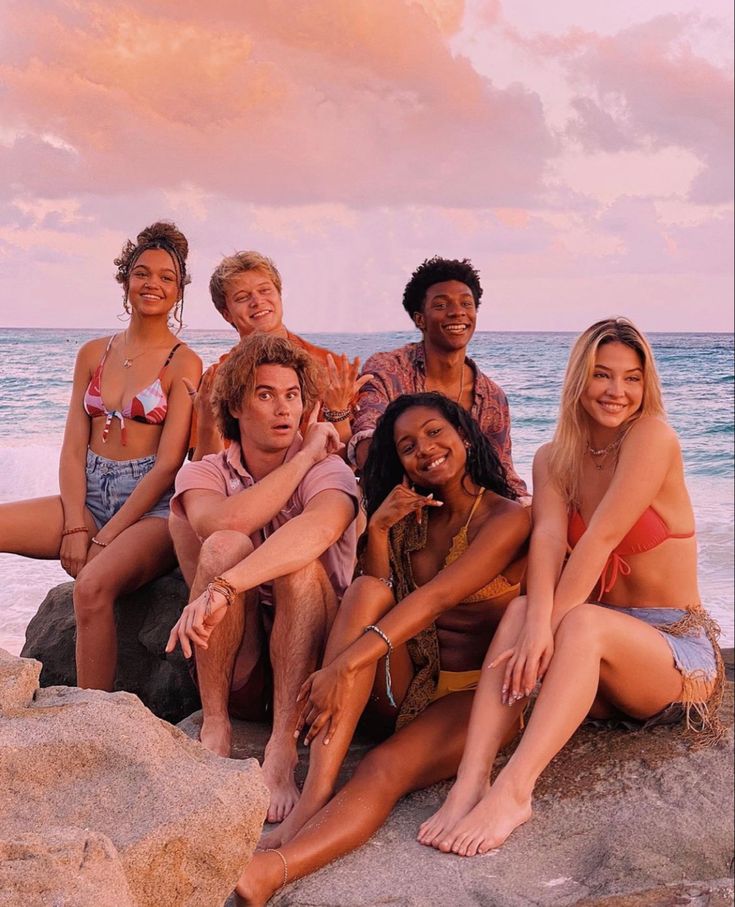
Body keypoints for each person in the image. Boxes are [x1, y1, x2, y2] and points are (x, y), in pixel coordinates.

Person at [418, 317, 725, 858]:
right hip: (598, 671)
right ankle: (472, 780)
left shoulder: (653, 437)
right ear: (579, 378)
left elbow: (601, 538)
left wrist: (551, 627)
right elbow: (547, 545)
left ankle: (515, 792)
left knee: (573, 619)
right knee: (522, 614)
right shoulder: (554, 457)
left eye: (632, 378)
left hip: (675, 656)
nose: (617, 391)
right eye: (603, 375)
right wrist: (536, 623)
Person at [233, 392, 530, 905]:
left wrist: (341, 668)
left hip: (474, 696)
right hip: (406, 681)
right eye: (409, 445)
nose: (426, 449)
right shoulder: (413, 513)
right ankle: (315, 794)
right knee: (368, 590)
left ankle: (272, 870)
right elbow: (374, 592)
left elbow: (438, 598)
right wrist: (379, 529)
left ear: (464, 433)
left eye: (436, 432)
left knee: (382, 769)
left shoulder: (508, 519)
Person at [165, 334, 360, 824]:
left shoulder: (331, 469)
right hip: (241, 660)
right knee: (224, 546)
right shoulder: (205, 472)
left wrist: (224, 587)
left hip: (314, 664)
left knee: (299, 564)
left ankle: (281, 749)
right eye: (265, 394)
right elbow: (221, 526)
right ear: (236, 404)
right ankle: (215, 725)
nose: (283, 409)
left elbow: (321, 528)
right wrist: (300, 458)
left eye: (292, 395)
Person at [0, 221, 202, 690]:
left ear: (178, 291)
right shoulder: (94, 352)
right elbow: (73, 447)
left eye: (166, 277)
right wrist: (75, 524)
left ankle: (94, 720)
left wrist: (106, 537)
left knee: (91, 588)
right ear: (125, 280)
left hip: (150, 510)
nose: (152, 283)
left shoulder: (184, 362)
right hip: (88, 495)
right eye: (141, 272)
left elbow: (171, 464)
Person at [348, 256, 526, 499]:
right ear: (420, 319)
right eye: (441, 305)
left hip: (465, 512)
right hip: (396, 501)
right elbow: (367, 435)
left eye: (466, 304)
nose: (457, 313)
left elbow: (502, 470)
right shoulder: (389, 369)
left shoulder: (492, 397)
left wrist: (528, 511)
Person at [189, 250, 368, 460]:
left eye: (265, 290)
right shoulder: (216, 381)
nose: (257, 301)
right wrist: (208, 425)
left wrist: (338, 412)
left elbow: (350, 463)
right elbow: (204, 470)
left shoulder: (333, 369)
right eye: (242, 297)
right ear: (226, 313)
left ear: (279, 295)